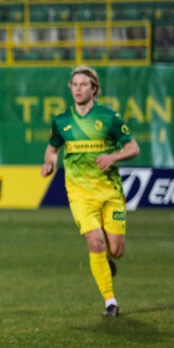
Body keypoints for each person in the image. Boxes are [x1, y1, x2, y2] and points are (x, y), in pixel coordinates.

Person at [41, 65, 140, 317]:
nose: (78, 89)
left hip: (110, 192)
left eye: (83, 84)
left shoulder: (109, 118)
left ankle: (107, 262)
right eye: (74, 85)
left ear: (94, 88)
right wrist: (49, 163)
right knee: (95, 242)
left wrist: (113, 157)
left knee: (116, 250)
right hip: (79, 193)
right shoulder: (62, 121)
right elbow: (53, 149)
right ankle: (110, 302)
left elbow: (133, 148)